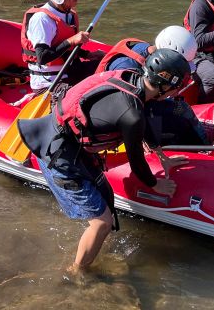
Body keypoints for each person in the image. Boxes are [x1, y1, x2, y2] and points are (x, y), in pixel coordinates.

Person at [17, 49, 191, 272]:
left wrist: (160, 156)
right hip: (58, 154)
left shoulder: (131, 77)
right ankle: (77, 273)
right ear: (165, 85)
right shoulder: (132, 113)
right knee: (102, 223)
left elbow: (142, 118)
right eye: (176, 87)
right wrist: (155, 184)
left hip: (62, 139)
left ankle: (91, 250)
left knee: (105, 205)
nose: (176, 92)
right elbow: (137, 161)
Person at [96, 26, 209, 145]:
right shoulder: (125, 67)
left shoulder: (151, 52)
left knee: (181, 108)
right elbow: (129, 108)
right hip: (123, 110)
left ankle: (202, 143)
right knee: (177, 113)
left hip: (140, 101)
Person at [20, 0, 100, 93]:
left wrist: (87, 55)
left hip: (70, 72)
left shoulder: (69, 14)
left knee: (108, 66)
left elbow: (65, 50)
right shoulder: (42, 19)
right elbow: (43, 57)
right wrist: (71, 41)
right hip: (49, 82)